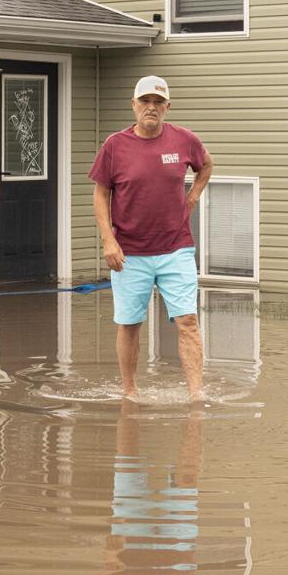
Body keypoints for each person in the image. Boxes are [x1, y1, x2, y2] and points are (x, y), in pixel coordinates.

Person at [90, 75, 212, 400]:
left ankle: (196, 395)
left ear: (167, 107)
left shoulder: (185, 140)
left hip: (177, 248)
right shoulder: (114, 146)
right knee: (130, 323)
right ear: (134, 105)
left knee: (187, 320)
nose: (151, 108)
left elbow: (206, 166)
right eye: (145, 101)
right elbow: (101, 194)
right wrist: (108, 240)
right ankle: (130, 392)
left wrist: (194, 196)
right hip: (130, 252)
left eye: (158, 102)